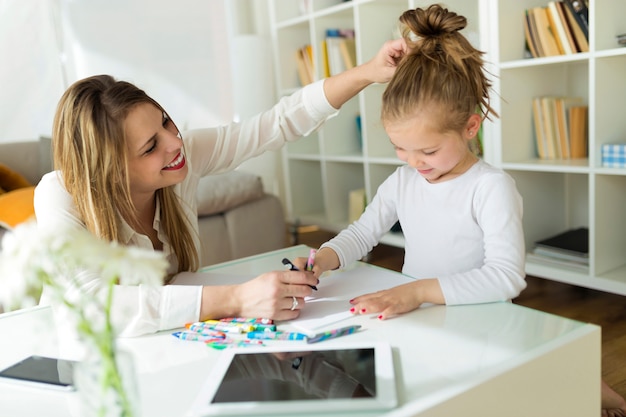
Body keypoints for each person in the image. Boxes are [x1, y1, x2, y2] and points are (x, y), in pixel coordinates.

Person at [33, 39, 407, 337]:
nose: (174, 144)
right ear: (110, 170)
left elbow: (276, 123)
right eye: (150, 147)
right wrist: (239, 298)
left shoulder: (183, 153)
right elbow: (97, 306)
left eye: (166, 122)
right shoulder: (60, 195)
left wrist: (369, 72)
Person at [294, 4, 527, 319]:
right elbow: (362, 234)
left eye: (428, 151)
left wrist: (416, 291)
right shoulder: (402, 181)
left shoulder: (490, 188)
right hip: (416, 314)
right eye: (400, 147)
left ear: (470, 127)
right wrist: (321, 260)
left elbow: (505, 278)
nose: (414, 162)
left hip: (480, 322)